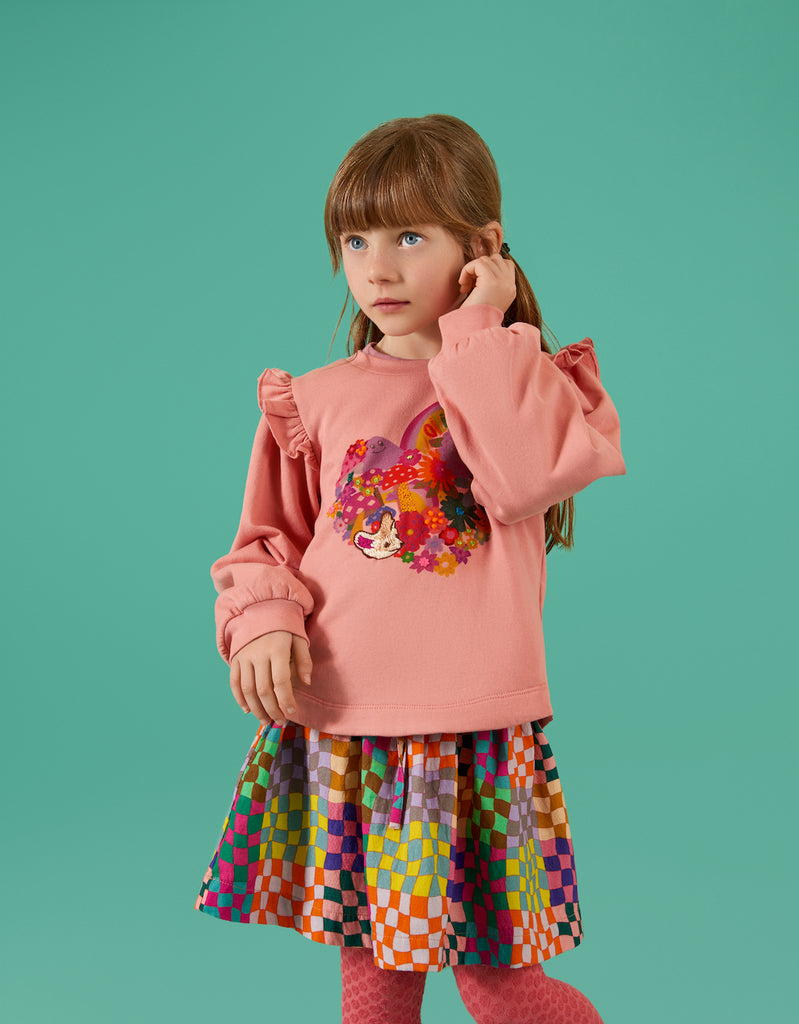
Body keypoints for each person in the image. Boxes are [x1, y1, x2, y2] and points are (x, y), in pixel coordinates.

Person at [194, 114, 626, 1024]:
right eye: (356, 241)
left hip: (474, 743)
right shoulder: (314, 399)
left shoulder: (529, 387)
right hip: (350, 731)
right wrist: (264, 620)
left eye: (409, 238)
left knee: (502, 989)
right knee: (373, 996)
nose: (377, 269)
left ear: (481, 247)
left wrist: (477, 327)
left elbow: (520, 479)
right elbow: (266, 540)